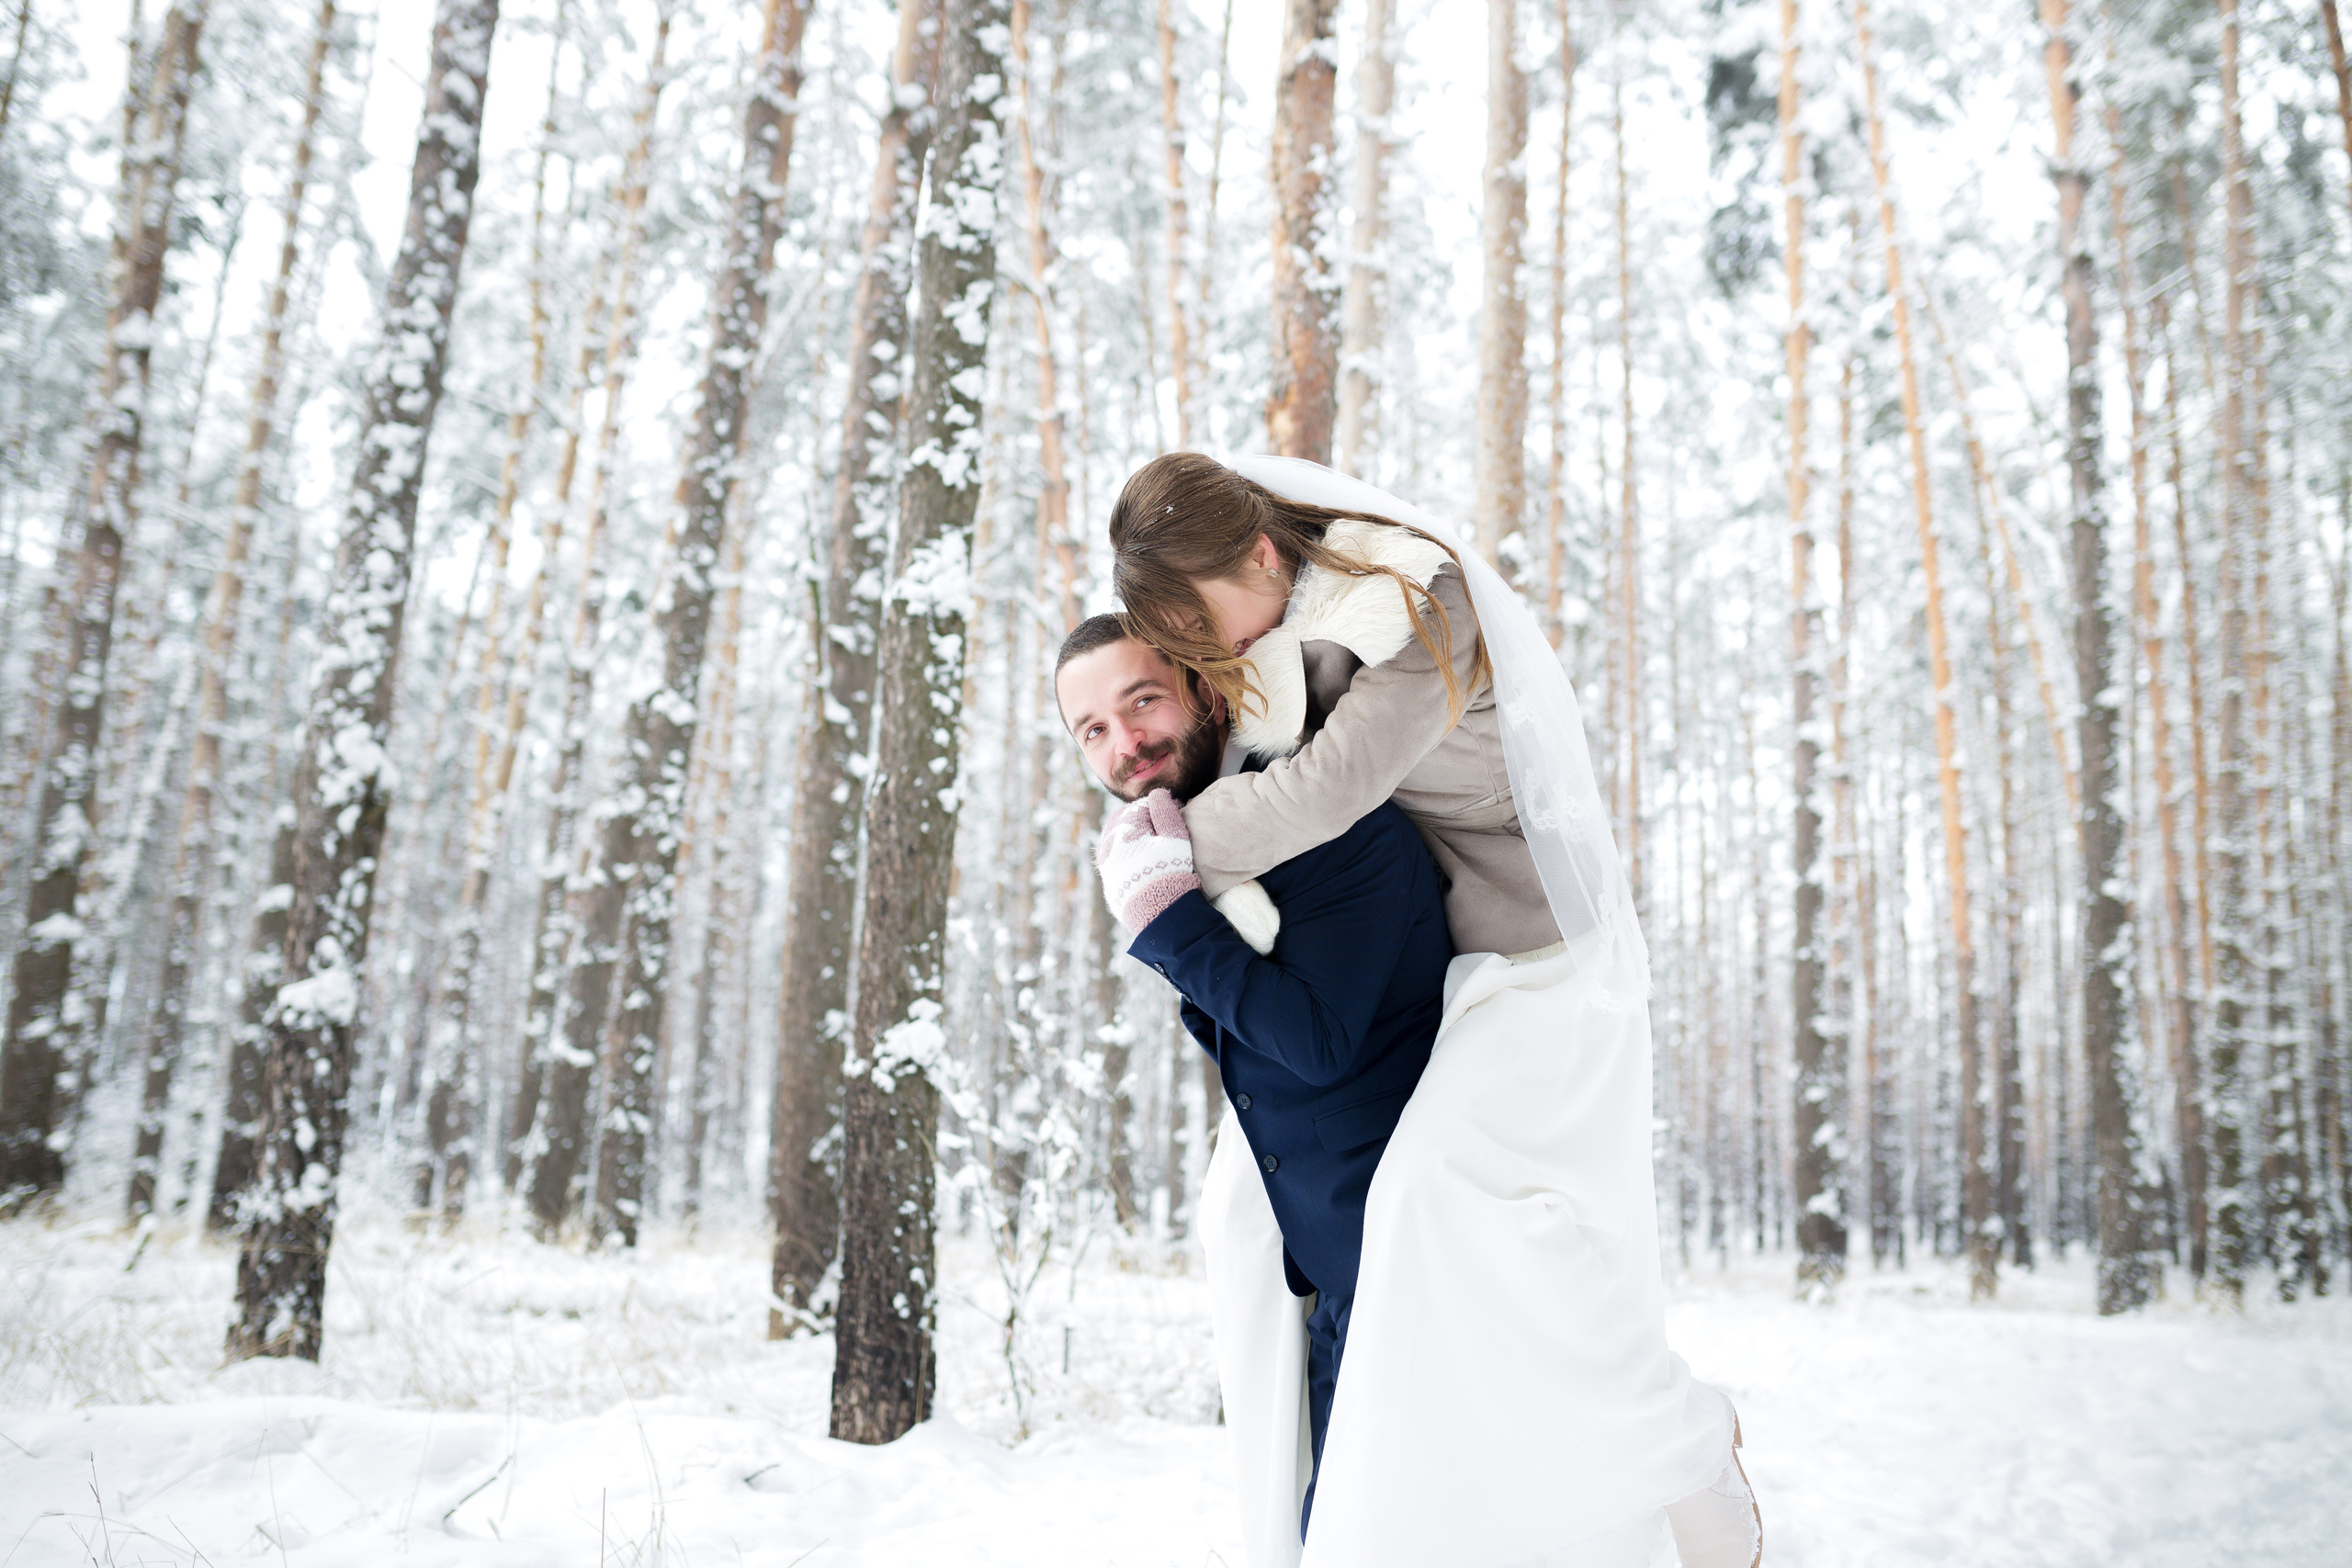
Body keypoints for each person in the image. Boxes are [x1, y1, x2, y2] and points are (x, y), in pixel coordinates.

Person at [1101, 453, 1762, 1568]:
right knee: (1388, 1236)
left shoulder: (1419, 602)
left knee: (1439, 1198)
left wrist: (1156, 860)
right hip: (1454, 962)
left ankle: (1687, 1444)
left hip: (1544, 958)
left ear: (1261, 554)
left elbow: (1332, 788)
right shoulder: (1278, 633)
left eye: (1204, 625)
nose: (1210, 657)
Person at [1054, 614, 1453, 1542]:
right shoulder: (1207, 842)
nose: (1125, 744)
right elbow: (1249, 1048)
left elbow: (1316, 1046)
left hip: (1412, 1270)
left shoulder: (1328, 821)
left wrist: (1166, 922)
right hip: (1338, 1273)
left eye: (1140, 701)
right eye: (1092, 731)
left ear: (1204, 689)